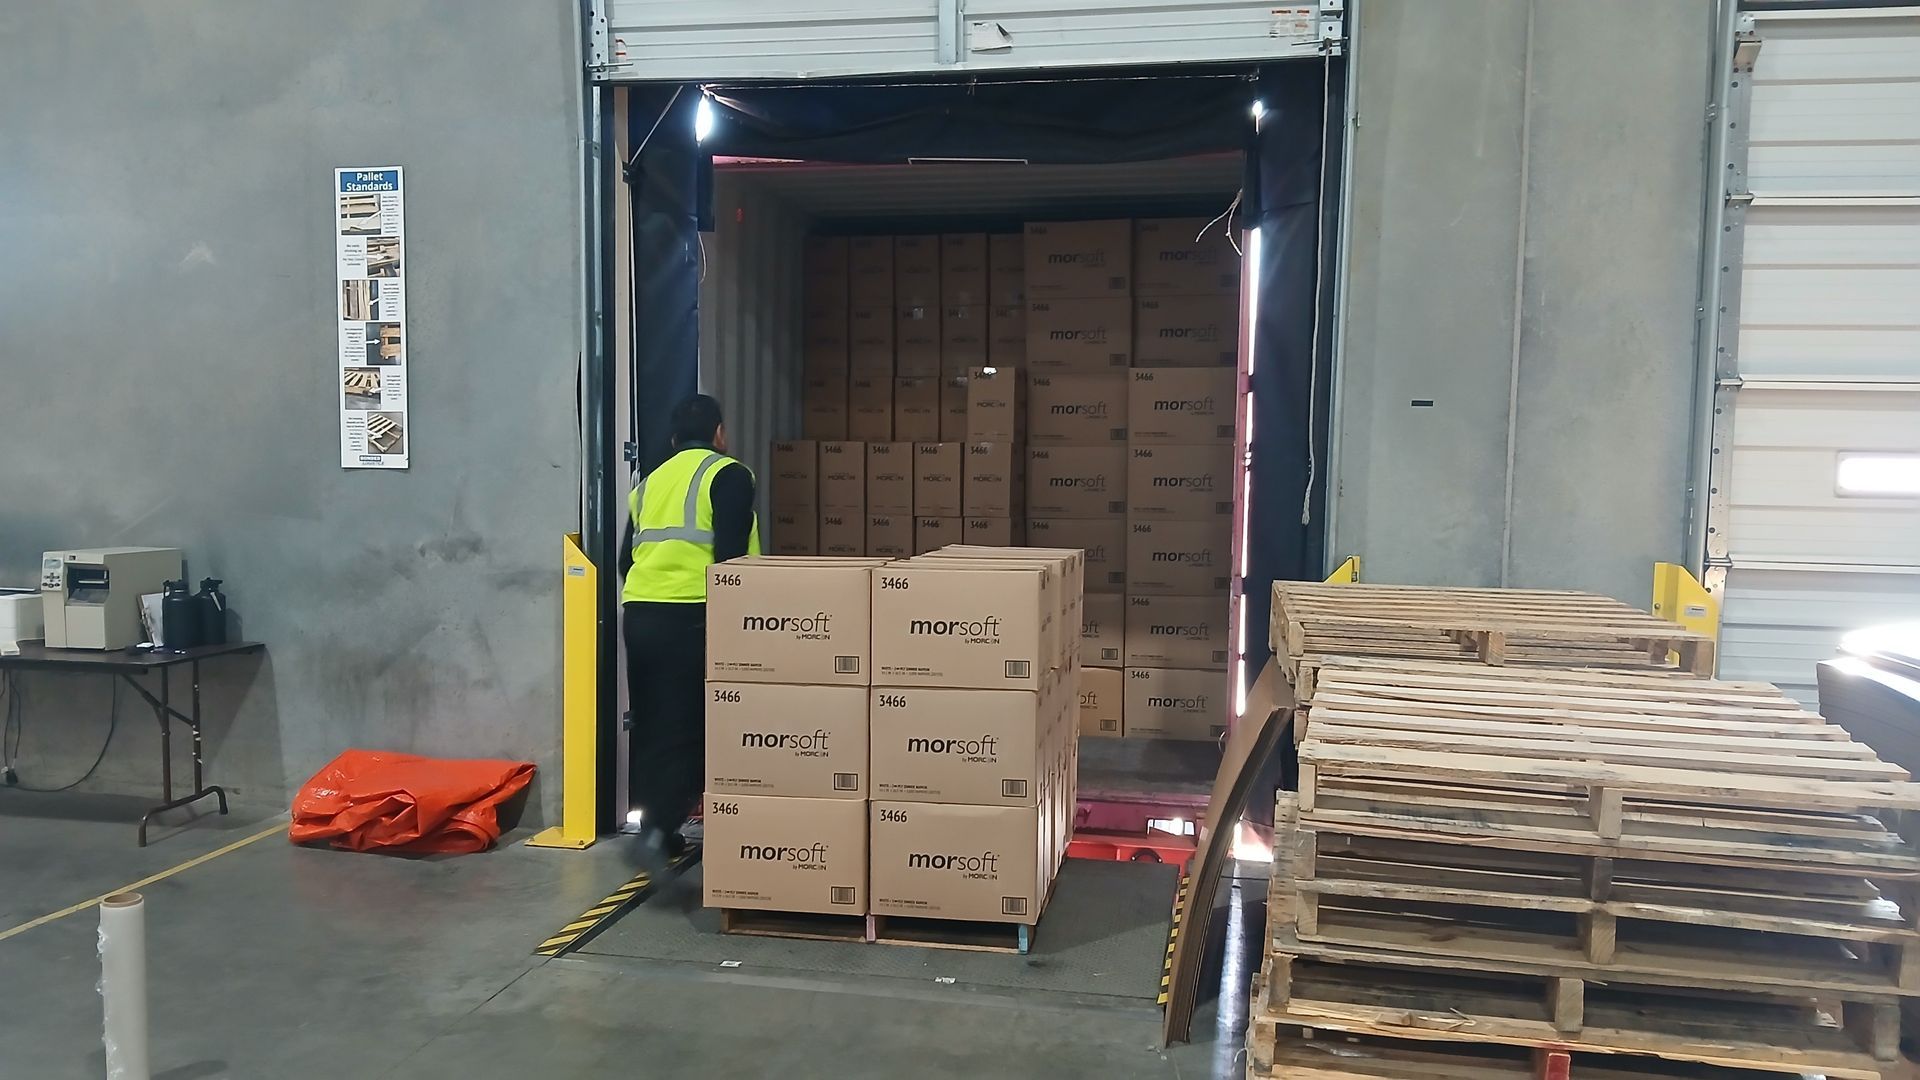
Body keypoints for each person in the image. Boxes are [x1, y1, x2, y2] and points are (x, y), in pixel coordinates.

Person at [620, 394, 760, 870]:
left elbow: (625, 561)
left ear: (675, 439)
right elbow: (731, 559)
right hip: (693, 615)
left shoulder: (648, 483)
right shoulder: (730, 474)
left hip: (640, 616)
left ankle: (658, 822)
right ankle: (661, 828)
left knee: (654, 719)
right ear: (720, 433)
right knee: (690, 725)